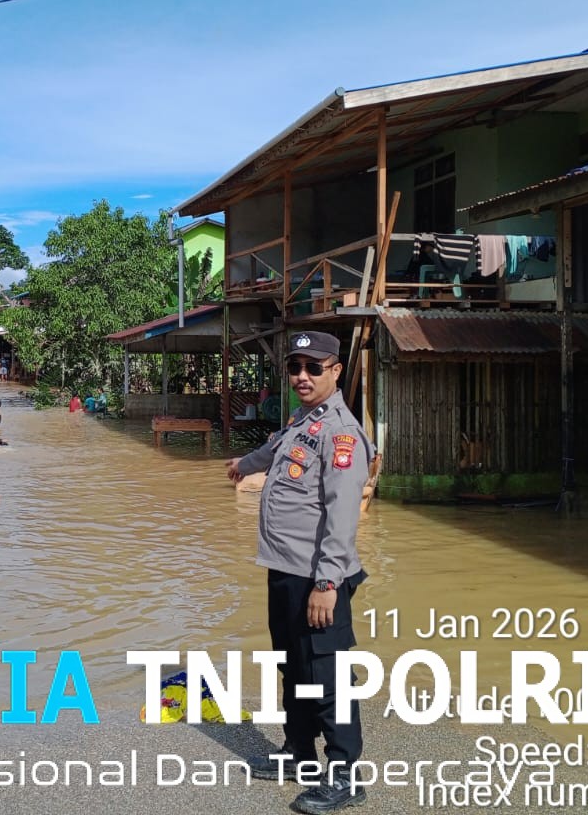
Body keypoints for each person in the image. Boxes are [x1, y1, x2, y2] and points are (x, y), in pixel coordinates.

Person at [224, 331, 372, 814]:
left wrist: (327, 584)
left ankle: (345, 775)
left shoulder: (341, 434)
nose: (302, 377)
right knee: (293, 667)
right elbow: (274, 449)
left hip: (317, 576)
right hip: (285, 569)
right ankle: (299, 752)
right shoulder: (302, 419)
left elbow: (342, 517)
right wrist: (243, 464)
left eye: (313, 367)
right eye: (295, 367)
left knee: (327, 676)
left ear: (336, 371)